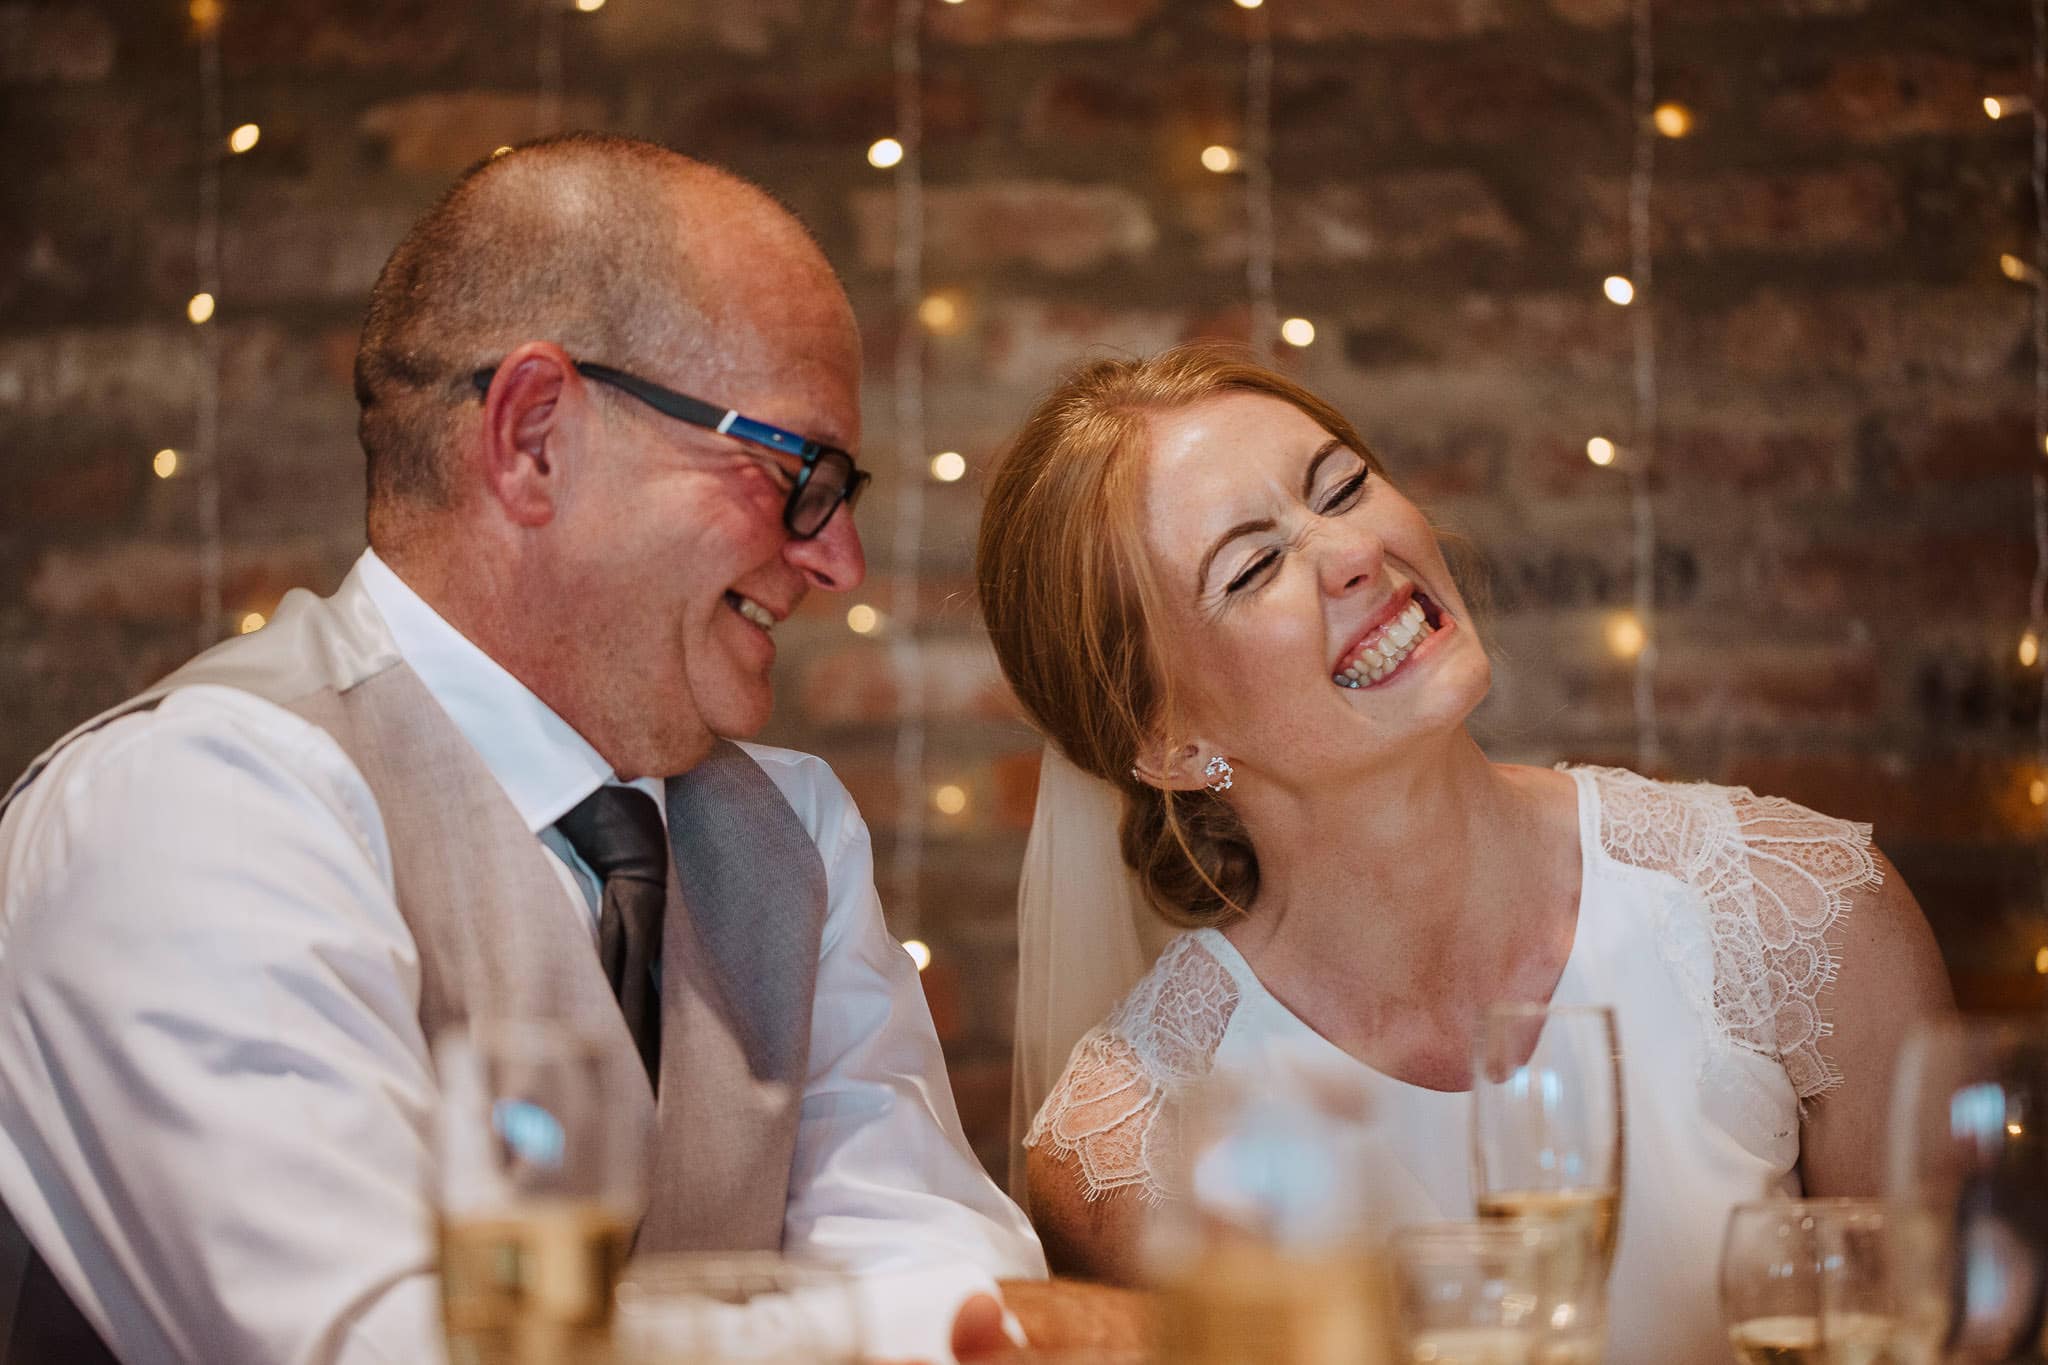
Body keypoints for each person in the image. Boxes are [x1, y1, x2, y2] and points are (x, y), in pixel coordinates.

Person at [0, 135, 1049, 1365]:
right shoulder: (190, 809)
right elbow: (379, 1345)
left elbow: (930, 1254)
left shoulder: (791, 829)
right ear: (537, 434)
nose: (836, 560)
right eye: (796, 473)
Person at [974, 344, 1955, 1361]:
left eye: (1343, 487)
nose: (1351, 550)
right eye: (1254, 564)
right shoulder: (1129, 1145)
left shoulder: (1795, 912)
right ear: (1170, 744)